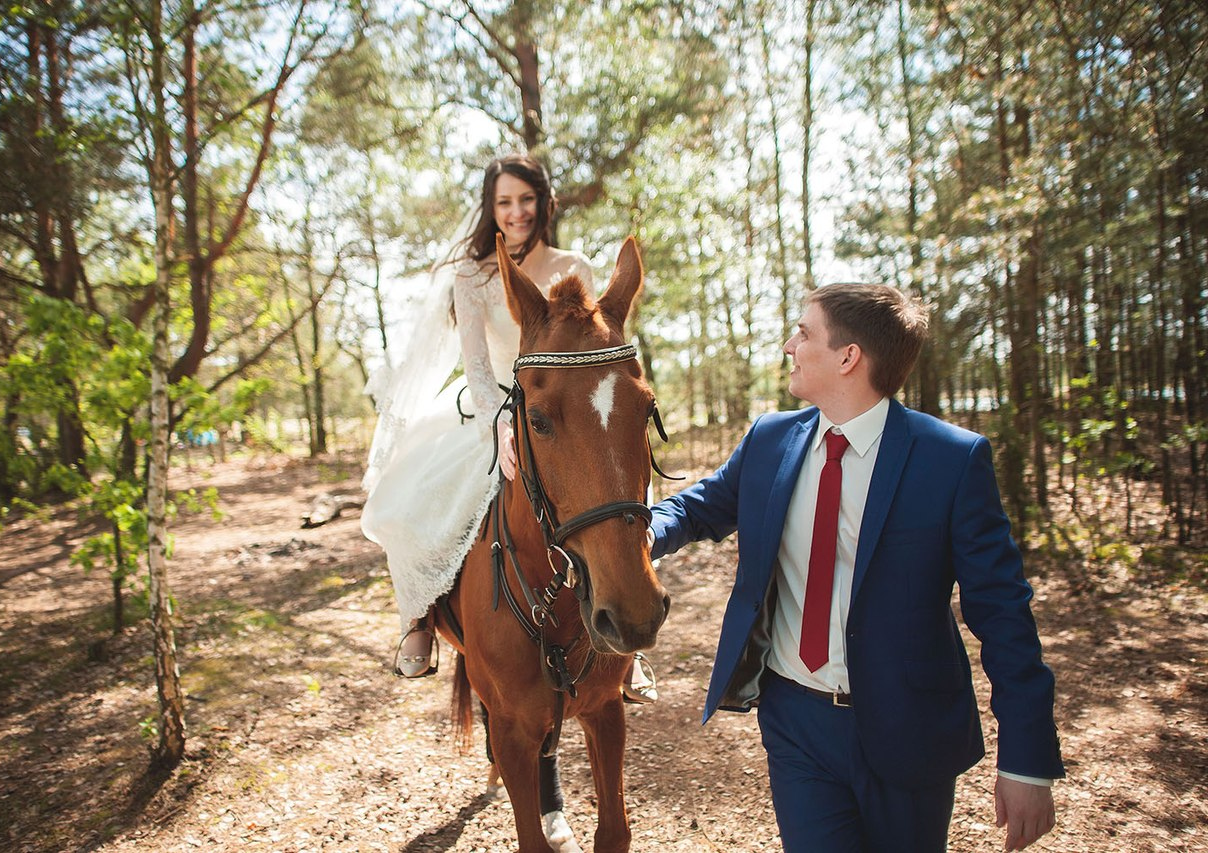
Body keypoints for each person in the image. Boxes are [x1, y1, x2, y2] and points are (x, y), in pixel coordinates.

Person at [648, 283, 1063, 851]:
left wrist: (1028, 761)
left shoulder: (950, 459)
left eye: (804, 333)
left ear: (848, 358)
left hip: (907, 725)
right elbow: (697, 508)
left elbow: (1003, 614)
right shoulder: (771, 440)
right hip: (794, 719)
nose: (789, 344)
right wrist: (639, 533)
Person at [361, 154, 657, 703]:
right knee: (414, 503)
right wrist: (501, 425)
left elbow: (590, 354)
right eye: (504, 202)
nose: (516, 211)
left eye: (526, 199)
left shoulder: (573, 265)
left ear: (543, 203)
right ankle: (421, 616)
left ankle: (628, 638)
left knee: (616, 486)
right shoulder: (472, 275)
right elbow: (475, 364)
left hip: (565, 405)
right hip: (489, 402)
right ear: (491, 209)